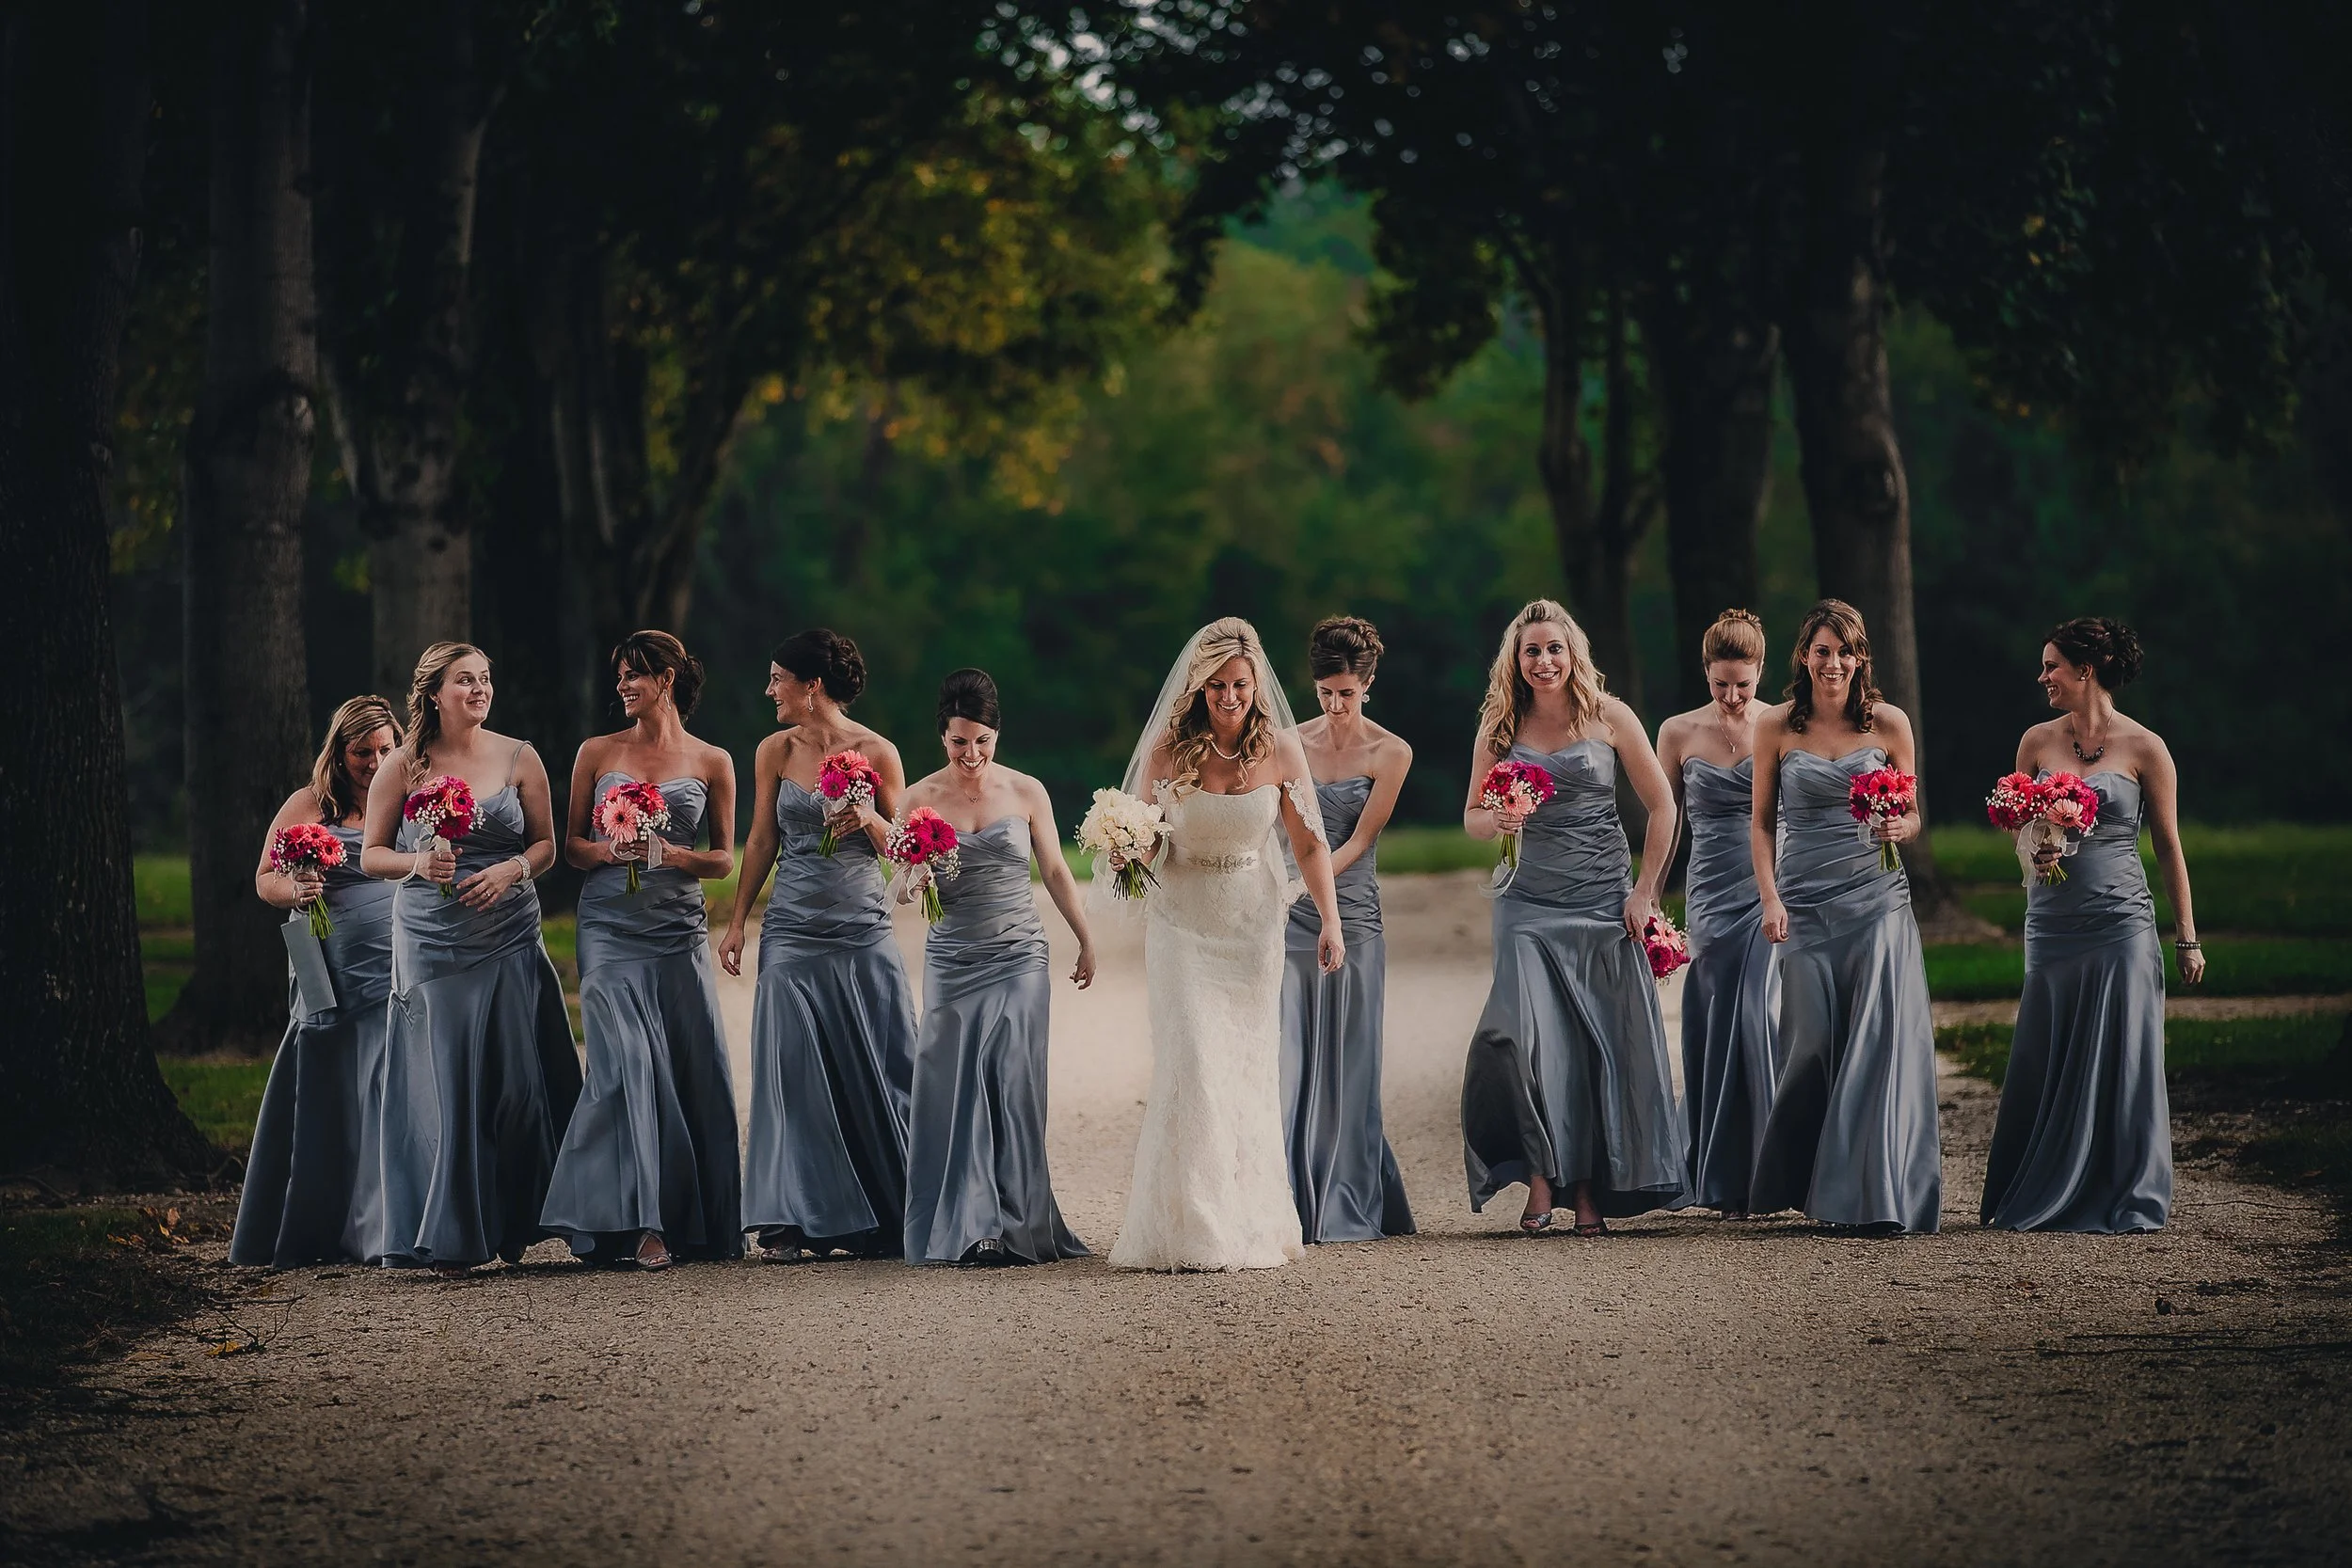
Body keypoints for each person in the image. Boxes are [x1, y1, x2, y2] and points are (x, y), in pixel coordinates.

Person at [1105, 617, 1342, 1272]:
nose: (1229, 696)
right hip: (1181, 924)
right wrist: (1129, 842)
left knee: (1243, 1070)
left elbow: (1308, 844)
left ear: (1256, 683)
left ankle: (1246, 1218)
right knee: (1195, 1063)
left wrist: (1330, 920)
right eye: (1215, 685)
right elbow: (1149, 839)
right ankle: (1191, 1224)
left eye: (1239, 683)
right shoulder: (1166, 751)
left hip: (1250, 925)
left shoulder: (1281, 752)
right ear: (1198, 687)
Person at [1460, 599, 1686, 1236]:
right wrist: (1498, 820)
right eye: (1531, 650)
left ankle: (1586, 1191)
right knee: (1522, 1040)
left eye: (1554, 648)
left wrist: (1645, 892)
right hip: (1526, 903)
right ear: (1516, 659)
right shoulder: (1499, 726)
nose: (1543, 661)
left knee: (1591, 1048)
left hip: (1601, 901)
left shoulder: (1609, 717)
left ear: (1572, 652)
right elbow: (1472, 816)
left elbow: (1664, 808)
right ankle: (1538, 1174)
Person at [359, 643, 581, 1274]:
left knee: (517, 1084)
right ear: (434, 692)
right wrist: (417, 863)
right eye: (464, 680)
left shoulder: (519, 756)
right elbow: (371, 854)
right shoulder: (403, 765)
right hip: (432, 939)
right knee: (450, 1084)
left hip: (508, 933)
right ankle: (454, 1229)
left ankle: (520, 1219)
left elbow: (545, 845)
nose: (479, 689)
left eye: (485, 678)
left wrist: (512, 870)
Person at [1980, 617, 2198, 1232]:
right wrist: (2035, 849)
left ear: (2087, 671)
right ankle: (2045, 1182)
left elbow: (2169, 844)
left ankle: (2128, 1190)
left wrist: (2186, 935)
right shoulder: (2035, 742)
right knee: (2051, 1049)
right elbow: (2017, 833)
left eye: (2052, 666)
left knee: (2126, 1052)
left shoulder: (2146, 747)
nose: (2042, 676)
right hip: (2052, 921)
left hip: (2122, 919)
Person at [541, 631, 741, 1268]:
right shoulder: (596, 753)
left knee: (688, 1068)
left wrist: (672, 854)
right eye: (620, 675)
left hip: (676, 931)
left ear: (669, 678)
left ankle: (697, 1220)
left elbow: (721, 858)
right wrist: (608, 852)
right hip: (608, 928)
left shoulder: (714, 760)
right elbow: (570, 844)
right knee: (622, 1062)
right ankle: (637, 1222)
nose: (624, 685)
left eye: (635, 674)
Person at [720, 629, 915, 1259]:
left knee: (877, 1062)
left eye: (778, 678)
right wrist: (736, 921)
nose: (769, 689)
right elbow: (759, 841)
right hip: (791, 929)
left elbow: (909, 850)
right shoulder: (773, 750)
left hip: (860, 926)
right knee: (788, 1067)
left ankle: (887, 1208)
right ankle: (788, 1218)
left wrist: (869, 818)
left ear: (813, 686)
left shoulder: (878, 751)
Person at [1747, 600, 1941, 1234]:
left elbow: (1913, 816)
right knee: (1812, 1043)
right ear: (1804, 656)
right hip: (1802, 900)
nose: (1834, 663)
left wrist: (1900, 824)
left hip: (1877, 896)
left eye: (1845, 651)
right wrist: (1771, 899)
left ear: (1860, 659)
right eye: (1822, 650)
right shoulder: (1776, 726)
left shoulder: (1889, 723)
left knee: (1876, 1043)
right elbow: (1759, 823)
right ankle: (1811, 1180)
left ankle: (1874, 1192)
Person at [897, 669, 1096, 1266]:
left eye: (982, 740)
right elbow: (900, 889)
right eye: (960, 742)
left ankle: (1017, 1223)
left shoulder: (1027, 791)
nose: (972, 755)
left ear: (996, 733)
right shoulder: (919, 798)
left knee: (1012, 1081)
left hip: (1019, 954)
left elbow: (1057, 871)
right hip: (954, 956)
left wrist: (1084, 938)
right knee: (953, 1084)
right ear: (942, 737)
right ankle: (970, 1223)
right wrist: (917, 874)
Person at [230, 696, 403, 1267]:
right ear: (340, 751)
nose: (376, 762)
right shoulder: (310, 803)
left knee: (387, 1084)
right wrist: (295, 890)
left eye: (385, 749)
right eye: (362, 753)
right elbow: (264, 879)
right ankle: (318, 1221)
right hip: (330, 962)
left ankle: (385, 1228)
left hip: (395, 960)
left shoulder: (406, 797)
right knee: (330, 1088)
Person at [1279, 616, 1415, 1243]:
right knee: (1292, 1057)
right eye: (1327, 694)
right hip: (1287, 920)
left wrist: (1308, 884)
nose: (1336, 707)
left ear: (1368, 686)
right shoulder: (1286, 743)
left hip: (1353, 917)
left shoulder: (1391, 752)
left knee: (1351, 1059)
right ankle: (1288, 1198)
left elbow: (1360, 838)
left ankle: (1347, 1199)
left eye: (1348, 694)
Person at [1654, 610, 1780, 1218]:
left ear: (1761, 674)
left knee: (1756, 1015)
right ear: (1706, 673)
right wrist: (1649, 891)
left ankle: (1764, 1169)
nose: (1732, 698)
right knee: (1710, 1020)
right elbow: (1667, 819)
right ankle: (1720, 1177)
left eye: (1743, 685)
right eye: (1721, 684)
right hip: (1708, 889)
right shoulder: (1678, 731)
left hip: (1767, 886)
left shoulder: (1780, 726)